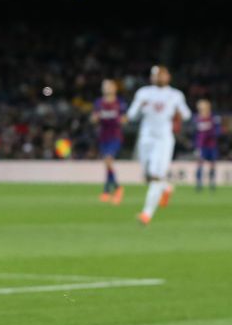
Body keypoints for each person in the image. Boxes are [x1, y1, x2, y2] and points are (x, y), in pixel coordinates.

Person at [127, 65, 192, 225]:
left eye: (162, 75)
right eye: (156, 75)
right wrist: (140, 106)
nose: (159, 77)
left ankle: (146, 214)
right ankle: (166, 188)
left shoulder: (175, 95)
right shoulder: (143, 93)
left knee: (156, 176)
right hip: (146, 137)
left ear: (168, 77)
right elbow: (131, 115)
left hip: (164, 139)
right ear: (152, 77)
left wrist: (179, 113)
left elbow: (187, 114)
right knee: (148, 176)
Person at [92, 79, 127, 203]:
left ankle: (117, 188)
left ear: (114, 88)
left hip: (115, 136)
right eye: (104, 86)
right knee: (107, 163)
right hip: (103, 136)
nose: (106, 88)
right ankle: (106, 190)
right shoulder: (99, 103)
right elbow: (93, 118)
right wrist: (95, 118)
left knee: (108, 160)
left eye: (109, 86)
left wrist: (118, 119)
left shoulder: (119, 102)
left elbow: (124, 119)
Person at [194, 99, 221, 191]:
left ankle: (212, 184)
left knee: (212, 164)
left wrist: (211, 133)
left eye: (203, 107)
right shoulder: (197, 118)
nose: (201, 109)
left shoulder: (214, 117)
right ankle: (199, 184)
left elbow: (218, 131)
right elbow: (194, 132)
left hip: (212, 145)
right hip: (201, 145)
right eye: (200, 107)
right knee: (200, 163)